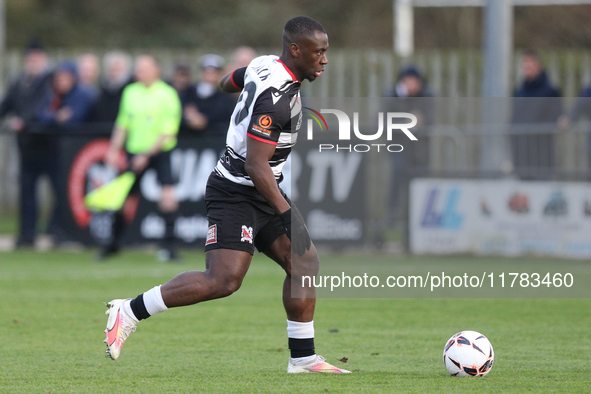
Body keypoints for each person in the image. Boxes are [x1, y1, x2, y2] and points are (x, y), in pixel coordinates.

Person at [103, 16, 349, 374]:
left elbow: (226, 82)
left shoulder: (265, 63)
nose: (325, 59)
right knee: (223, 281)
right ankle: (129, 310)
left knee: (304, 264)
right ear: (296, 50)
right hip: (236, 191)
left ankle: (303, 359)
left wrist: (237, 86)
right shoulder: (276, 101)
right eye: (319, 52)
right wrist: (286, 213)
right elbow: (255, 164)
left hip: (261, 188)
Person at [100, 55, 182, 262]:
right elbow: (122, 123)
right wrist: (113, 149)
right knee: (122, 198)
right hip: (134, 152)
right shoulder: (130, 92)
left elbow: (168, 132)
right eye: (138, 69)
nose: (140, 73)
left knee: (168, 196)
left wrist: (145, 155)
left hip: (160, 153)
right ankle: (113, 245)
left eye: (145, 69)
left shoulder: (167, 94)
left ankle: (170, 247)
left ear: (156, 70)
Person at [0, 41, 54, 247]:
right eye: (29, 59)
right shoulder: (20, 83)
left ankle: (56, 231)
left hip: (50, 145)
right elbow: (6, 105)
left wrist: (25, 121)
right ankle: (27, 235)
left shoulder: (49, 82)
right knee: (27, 192)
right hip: (27, 147)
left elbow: (45, 107)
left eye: (36, 59)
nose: (32, 63)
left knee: (58, 189)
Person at [510, 50, 562, 179]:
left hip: (541, 153)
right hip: (522, 153)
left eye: (530, 66)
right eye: (524, 66)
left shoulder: (550, 91)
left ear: (538, 67)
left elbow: (555, 116)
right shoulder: (519, 91)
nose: (527, 70)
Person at [183, 54, 235, 132]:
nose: (209, 76)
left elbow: (222, 114)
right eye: (207, 72)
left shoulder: (225, 95)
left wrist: (203, 120)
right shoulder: (190, 91)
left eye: (213, 73)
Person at [37, 61, 96, 125]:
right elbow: (41, 115)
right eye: (60, 78)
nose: (62, 82)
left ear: (73, 78)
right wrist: (57, 116)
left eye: (66, 78)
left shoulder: (83, 95)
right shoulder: (52, 94)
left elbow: (76, 117)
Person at [90, 51, 133, 124]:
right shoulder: (103, 88)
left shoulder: (131, 89)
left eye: (117, 69)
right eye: (111, 69)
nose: (114, 73)